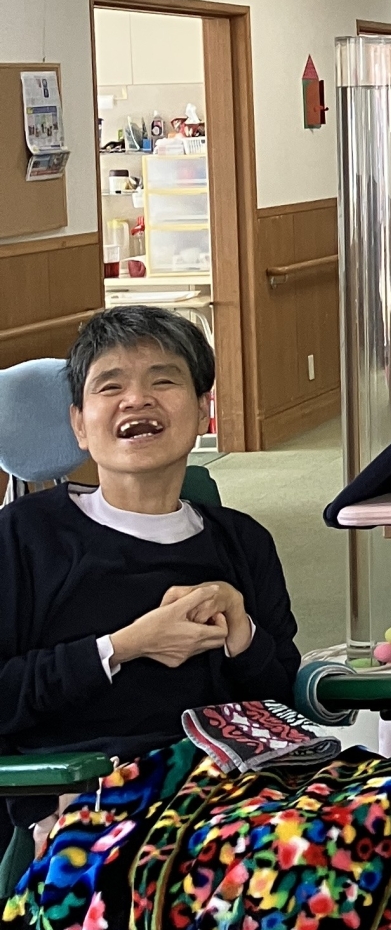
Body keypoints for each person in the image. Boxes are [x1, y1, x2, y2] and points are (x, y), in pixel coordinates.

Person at [0, 306, 298, 786]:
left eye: (163, 381)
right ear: (79, 424)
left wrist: (241, 628)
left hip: (239, 784)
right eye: (110, 386)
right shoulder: (24, 536)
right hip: (97, 795)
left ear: (203, 411)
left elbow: (280, 701)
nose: (137, 399)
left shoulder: (243, 541)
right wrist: (123, 647)